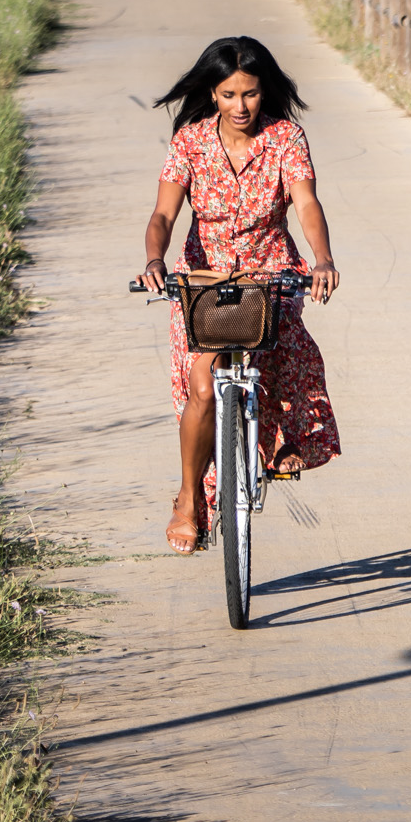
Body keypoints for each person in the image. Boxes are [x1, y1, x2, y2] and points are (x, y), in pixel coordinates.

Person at [136, 36, 340, 553]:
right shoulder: (190, 141)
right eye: (228, 95)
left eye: (250, 94)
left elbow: (306, 203)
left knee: (282, 344)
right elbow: (163, 215)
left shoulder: (287, 138)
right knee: (202, 383)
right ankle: (189, 498)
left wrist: (323, 259)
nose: (241, 106)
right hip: (204, 281)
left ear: (263, 90)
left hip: (269, 271)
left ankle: (277, 442)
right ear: (213, 93)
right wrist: (155, 261)